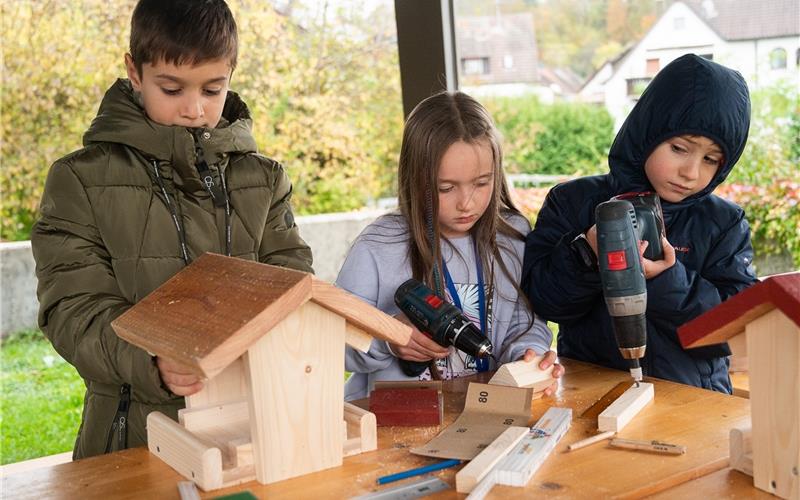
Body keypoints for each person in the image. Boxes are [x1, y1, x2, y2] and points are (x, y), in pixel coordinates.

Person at [31, 0, 313, 459]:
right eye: (172, 88)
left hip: (254, 431)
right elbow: (72, 310)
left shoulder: (264, 179)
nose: (194, 109)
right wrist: (151, 360)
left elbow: (291, 286)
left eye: (213, 89)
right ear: (135, 72)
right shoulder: (77, 180)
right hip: (134, 436)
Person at [522, 54, 756, 393]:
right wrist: (586, 255)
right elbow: (544, 302)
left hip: (692, 401)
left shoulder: (723, 223)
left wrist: (665, 280)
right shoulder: (573, 202)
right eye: (679, 148)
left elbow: (732, 329)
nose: (691, 172)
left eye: (710, 159)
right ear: (647, 132)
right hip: (591, 394)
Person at [337, 91, 562, 401]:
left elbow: (525, 323)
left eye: (482, 183)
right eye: (446, 188)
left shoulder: (513, 236)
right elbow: (336, 343)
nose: (466, 203)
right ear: (416, 179)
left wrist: (531, 356)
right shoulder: (378, 246)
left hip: (485, 411)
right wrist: (389, 338)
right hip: (395, 423)